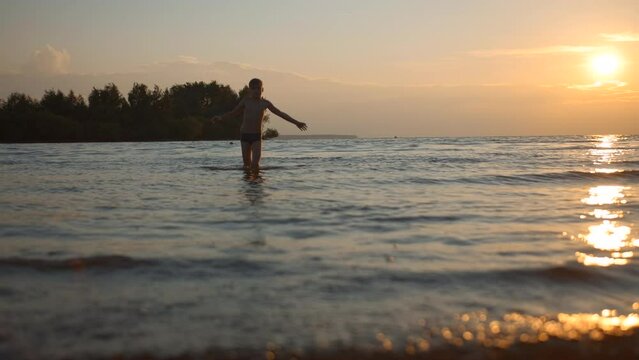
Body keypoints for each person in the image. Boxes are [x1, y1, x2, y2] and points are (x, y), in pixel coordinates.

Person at [211, 78, 308, 170]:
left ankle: (257, 186)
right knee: (246, 165)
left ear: (262, 89)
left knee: (255, 165)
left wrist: (296, 122)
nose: (256, 91)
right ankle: (248, 186)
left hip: (256, 136)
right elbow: (233, 113)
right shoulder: (246, 101)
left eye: (258, 88)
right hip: (245, 135)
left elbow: (280, 113)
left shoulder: (265, 103)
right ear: (250, 90)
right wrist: (220, 118)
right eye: (253, 88)